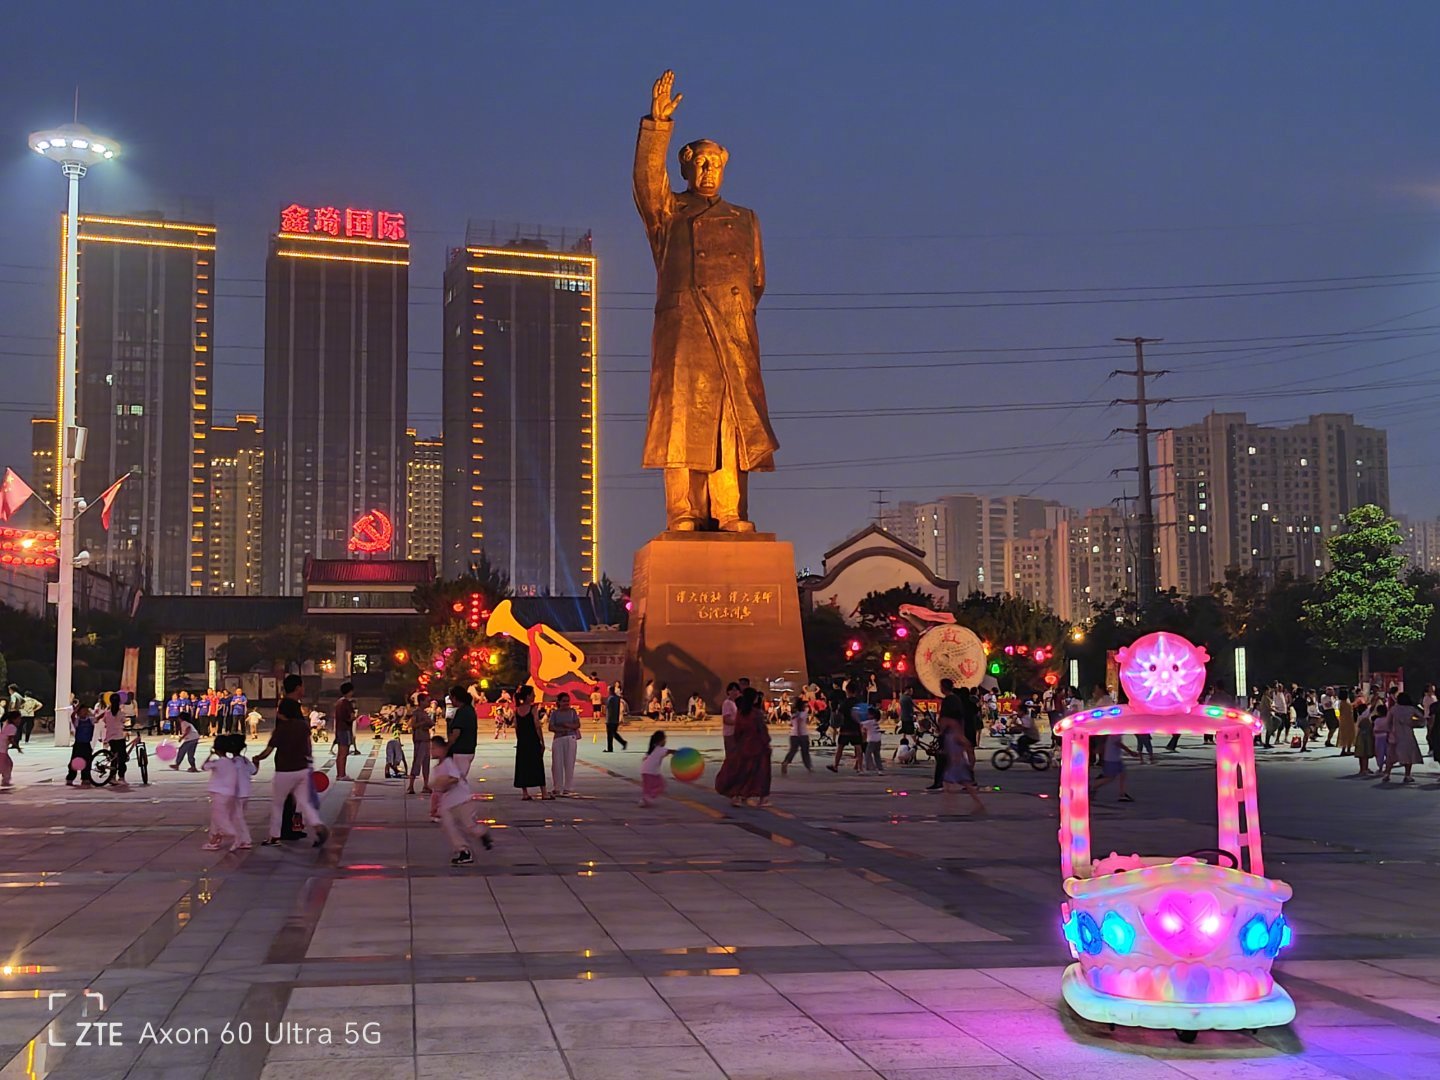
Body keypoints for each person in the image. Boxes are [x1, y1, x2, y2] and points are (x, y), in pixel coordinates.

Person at [254, 698, 328, 847]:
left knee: (278, 804)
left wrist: (257, 758)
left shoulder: (281, 729)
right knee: (305, 802)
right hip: (302, 769)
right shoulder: (303, 726)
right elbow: (308, 746)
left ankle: (274, 837)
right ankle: (318, 825)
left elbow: (268, 751)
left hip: (285, 771)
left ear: (282, 712)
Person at [430, 735, 493, 865]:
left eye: (434, 748)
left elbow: (455, 778)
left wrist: (445, 783)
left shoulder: (448, 762)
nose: (432, 751)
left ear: (443, 749)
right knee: (449, 827)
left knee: (469, 827)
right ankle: (463, 850)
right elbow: (438, 790)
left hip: (462, 800)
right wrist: (435, 805)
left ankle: (482, 833)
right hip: (447, 804)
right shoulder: (436, 769)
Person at [714, 688, 772, 806]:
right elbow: (762, 731)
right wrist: (766, 744)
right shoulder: (756, 714)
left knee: (742, 771)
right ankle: (762, 798)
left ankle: (737, 796)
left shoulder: (741, 713)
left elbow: (737, 731)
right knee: (761, 773)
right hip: (757, 747)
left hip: (744, 745)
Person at [203, 733, 255, 851]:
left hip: (236, 793)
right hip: (244, 793)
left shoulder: (232, 762)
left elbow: (205, 766)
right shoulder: (244, 761)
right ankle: (218, 838)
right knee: (234, 817)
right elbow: (253, 771)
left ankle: (241, 839)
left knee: (231, 817)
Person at [926, 679, 965, 791]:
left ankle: (940, 782)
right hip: (954, 731)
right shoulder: (956, 699)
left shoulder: (949, 700)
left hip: (948, 732)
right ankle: (943, 781)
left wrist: (942, 731)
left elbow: (945, 718)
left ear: (944, 687)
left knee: (943, 757)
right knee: (948, 758)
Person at [512, 685, 550, 800]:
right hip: (533, 740)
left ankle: (525, 793)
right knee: (537, 764)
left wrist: (520, 739)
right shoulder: (533, 708)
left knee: (523, 765)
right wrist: (542, 742)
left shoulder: (517, 710)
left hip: (522, 741)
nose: (534, 696)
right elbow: (537, 725)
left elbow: (516, 727)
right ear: (528, 696)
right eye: (533, 694)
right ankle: (544, 792)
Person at [941, 718, 986, 813]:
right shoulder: (949, 735)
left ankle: (950, 806)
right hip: (955, 763)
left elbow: (967, 745)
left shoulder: (957, 735)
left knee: (949, 783)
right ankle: (977, 804)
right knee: (962, 784)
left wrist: (961, 755)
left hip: (958, 763)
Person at [1384, 692, 1425, 784]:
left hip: (1395, 734)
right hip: (1407, 734)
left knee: (1391, 756)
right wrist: (1414, 723)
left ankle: (1387, 774)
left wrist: (1388, 731)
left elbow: (1387, 722)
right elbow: (1422, 718)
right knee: (1408, 755)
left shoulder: (1393, 709)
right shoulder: (1411, 709)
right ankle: (1407, 775)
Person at [548, 691, 582, 796]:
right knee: (557, 764)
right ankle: (557, 787)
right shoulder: (555, 713)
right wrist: (561, 729)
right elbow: (551, 727)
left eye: (568, 701)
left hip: (570, 738)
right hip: (558, 739)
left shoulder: (572, 712)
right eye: (564, 701)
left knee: (569, 763)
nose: (566, 703)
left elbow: (577, 724)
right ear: (559, 702)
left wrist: (568, 725)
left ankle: (568, 787)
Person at [443, 684, 478, 780]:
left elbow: (455, 734)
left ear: (455, 698)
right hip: (469, 748)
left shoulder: (462, 712)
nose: (450, 700)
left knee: (456, 780)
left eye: (451, 698)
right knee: (459, 778)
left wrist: (446, 747)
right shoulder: (470, 709)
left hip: (461, 750)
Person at [1093, 730, 1137, 803]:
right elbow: (1118, 743)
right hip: (1111, 759)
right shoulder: (1115, 733)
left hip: (1115, 758)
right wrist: (1130, 752)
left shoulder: (1116, 733)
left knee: (1123, 773)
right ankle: (1093, 787)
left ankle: (1122, 794)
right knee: (1110, 777)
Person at [639, 730, 674, 807]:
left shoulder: (652, 749)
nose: (665, 741)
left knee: (651, 787)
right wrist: (683, 752)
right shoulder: (660, 749)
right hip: (650, 772)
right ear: (661, 740)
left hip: (647, 771)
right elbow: (671, 751)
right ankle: (646, 799)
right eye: (665, 739)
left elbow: (645, 759)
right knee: (660, 785)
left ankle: (646, 799)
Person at [100, 693, 129, 785]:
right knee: (122, 758)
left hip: (110, 738)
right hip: (119, 737)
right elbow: (124, 721)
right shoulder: (120, 713)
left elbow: (104, 721)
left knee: (114, 757)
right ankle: (121, 777)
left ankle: (112, 777)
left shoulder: (107, 713)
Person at [407, 698, 434, 795]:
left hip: (426, 739)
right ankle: (411, 785)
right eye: (426, 701)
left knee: (426, 763)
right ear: (421, 701)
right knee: (417, 762)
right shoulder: (416, 713)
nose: (428, 702)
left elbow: (431, 723)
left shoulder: (424, 712)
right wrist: (423, 723)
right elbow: (413, 725)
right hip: (419, 740)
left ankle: (426, 785)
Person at [780, 696, 812, 774]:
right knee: (805, 751)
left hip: (793, 734)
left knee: (793, 750)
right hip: (803, 734)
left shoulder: (793, 714)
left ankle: (785, 762)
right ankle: (808, 766)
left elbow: (791, 724)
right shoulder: (804, 713)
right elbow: (804, 722)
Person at [67, 703, 95, 786]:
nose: (85, 712)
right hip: (78, 744)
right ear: (79, 712)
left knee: (87, 762)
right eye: (83, 711)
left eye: (86, 710)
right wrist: (75, 710)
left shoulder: (90, 720)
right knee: (74, 762)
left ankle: (85, 778)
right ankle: (70, 778)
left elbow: (98, 718)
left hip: (87, 744)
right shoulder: (77, 721)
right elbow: (72, 717)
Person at [333, 682, 357, 781]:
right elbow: (350, 717)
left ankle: (339, 774)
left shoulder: (339, 702)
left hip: (339, 729)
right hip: (345, 729)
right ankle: (342, 774)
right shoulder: (346, 703)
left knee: (340, 753)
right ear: (350, 691)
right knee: (344, 753)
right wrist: (355, 718)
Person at [861, 703, 885, 774]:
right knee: (877, 755)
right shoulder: (874, 721)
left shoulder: (869, 722)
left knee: (867, 754)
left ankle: (868, 768)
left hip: (872, 740)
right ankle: (880, 769)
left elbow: (861, 724)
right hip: (878, 740)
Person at [1355, 696, 1376, 775]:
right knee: (1365, 753)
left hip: (1360, 735)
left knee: (1361, 754)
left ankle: (1363, 768)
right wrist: (1377, 698)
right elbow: (1371, 708)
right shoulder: (1365, 715)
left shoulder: (1360, 716)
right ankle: (1364, 769)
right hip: (1365, 736)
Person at [604, 685, 628, 751]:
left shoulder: (610, 698)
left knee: (610, 734)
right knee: (614, 733)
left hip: (610, 719)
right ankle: (623, 742)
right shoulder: (617, 698)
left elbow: (607, 707)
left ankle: (610, 748)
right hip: (616, 718)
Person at [0, 710, 20, 787]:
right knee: (5, 765)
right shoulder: (12, 727)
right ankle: (5, 781)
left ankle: (6, 780)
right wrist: (17, 747)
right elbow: (10, 739)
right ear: (14, 719)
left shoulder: (6, 724)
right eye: (18, 718)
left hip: (2, 749)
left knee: (8, 764)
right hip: (1, 749)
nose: (19, 720)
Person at [720, 682, 741, 757]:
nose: (735, 692)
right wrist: (739, 722)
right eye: (732, 690)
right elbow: (726, 720)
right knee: (731, 757)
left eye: (736, 690)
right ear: (728, 692)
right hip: (730, 734)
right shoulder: (727, 703)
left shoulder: (737, 703)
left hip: (737, 733)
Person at [1336, 689, 1356, 756]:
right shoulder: (1346, 702)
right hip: (1349, 719)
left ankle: (1344, 749)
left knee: (1344, 734)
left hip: (1343, 720)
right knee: (1350, 734)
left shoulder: (1340, 703)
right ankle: (1348, 749)